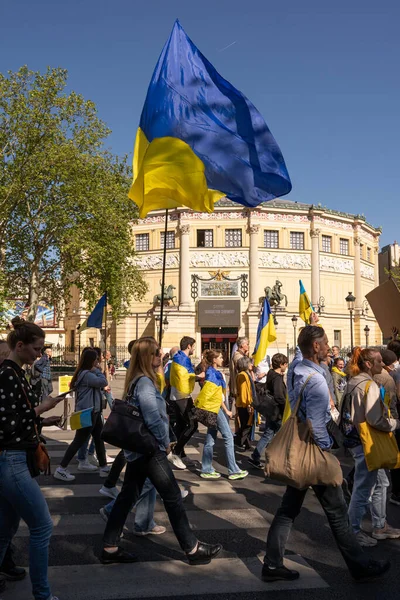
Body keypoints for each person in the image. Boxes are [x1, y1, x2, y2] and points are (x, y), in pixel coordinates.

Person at [262, 326, 390, 583]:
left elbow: (300, 358)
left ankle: (272, 564)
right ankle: (359, 566)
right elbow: (316, 423)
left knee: (288, 510)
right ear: (316, 347)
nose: (329, 345)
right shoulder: (318, 380)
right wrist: (326, 450)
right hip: (312, 452)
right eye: (325, 342)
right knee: (337, 513)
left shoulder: (296, 371)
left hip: (299, 450)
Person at [100, 337, 222, 565]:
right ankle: (192, 548)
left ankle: (109, 546)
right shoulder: (145, 383)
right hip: (150, 449)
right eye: (157, 353)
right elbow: (153, 417)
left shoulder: (140, 380)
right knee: (173, 496)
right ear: (147, 357)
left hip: (140, 449)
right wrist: (166, 442)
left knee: (127, 496)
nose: (162, 355)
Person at [0, 317, 65, 600]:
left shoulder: (16, 372)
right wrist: (41, 408)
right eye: (37, 349)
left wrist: (43, 419)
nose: (40, 354)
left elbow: (17, 418)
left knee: (5, 529)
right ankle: (42, 594)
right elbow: (6, 424)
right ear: (21, 345)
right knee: (42, 526)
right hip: (12, 461)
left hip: (12, 459)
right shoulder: (7, 374)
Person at [343, 347, 400, 546]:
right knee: (363, 488)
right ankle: (353, 530)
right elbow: (375, 418)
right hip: (368, 443)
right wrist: (393, 424)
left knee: (380, 483)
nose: (382, 365)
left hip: (356, 440)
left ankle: (379, 525)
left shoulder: (353, 382)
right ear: (368, 364)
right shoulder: (369, 385)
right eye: (378, 362)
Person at [53, 349, 109, 481]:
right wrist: (97, 370)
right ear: (91, 361)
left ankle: (104, 467)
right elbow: (103, 382)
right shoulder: (87, 375)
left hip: (93, 411)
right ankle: (61, 469)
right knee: (79, 440)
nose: (97, 362)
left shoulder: (84, 374)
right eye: (96, 359)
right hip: (88, 412)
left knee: (99, 439)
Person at [197, 350, 248, 481]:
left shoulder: (212, 372)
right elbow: (217, 397)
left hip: (213, 408)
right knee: (228, 437)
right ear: (214, 360)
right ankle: (233, 470)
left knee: (210, 438)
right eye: (219, 357)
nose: (222, 359)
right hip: (215, 409)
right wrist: (226, 410)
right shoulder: (213, 374)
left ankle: (206, 468)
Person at [248, 353, 288, 469]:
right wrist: (286, 407)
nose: (286, 366)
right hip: (277, 411)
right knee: (282, 435)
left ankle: (255, 457)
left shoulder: (271, 373)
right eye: (285, 364)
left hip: (271, 410)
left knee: (268, 434)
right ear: (281, 365)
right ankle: (278, 459)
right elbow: (279, 396)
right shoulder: (277, 378)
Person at [170, 336, 204, 462]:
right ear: (189, 346)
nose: (194, 349)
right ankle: (177, 451)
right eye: (194, 346)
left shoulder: (179, 357)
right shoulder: (181, 359)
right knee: (192, 424)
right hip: (182, 396)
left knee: (181, 425)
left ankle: (180, 453)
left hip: (179, 396)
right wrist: (198, 376)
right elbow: (184, 376)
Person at [374, 349, 400, 506]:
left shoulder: (370, 375)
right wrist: (395, 421)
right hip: (386, 420)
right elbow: (392, 402)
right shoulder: (388, 378)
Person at [234, 356, 256, 450]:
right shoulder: (242, 375)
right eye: (250, 363)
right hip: (244, 404)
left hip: (245, 404)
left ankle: (246, 444)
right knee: (246, 425)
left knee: (247, 425)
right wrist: (247, 404)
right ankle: (238, 441)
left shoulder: (246, 374)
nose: (252, 364)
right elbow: (243, 392)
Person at [228, 336, 249, 407]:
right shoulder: (238, 356)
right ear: (242, 345)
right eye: (247, 344)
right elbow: (244, 366)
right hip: (239, 385)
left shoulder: (240, 355)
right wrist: (246, 358)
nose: (248, 346)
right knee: (241, 407)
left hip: (239, 384)